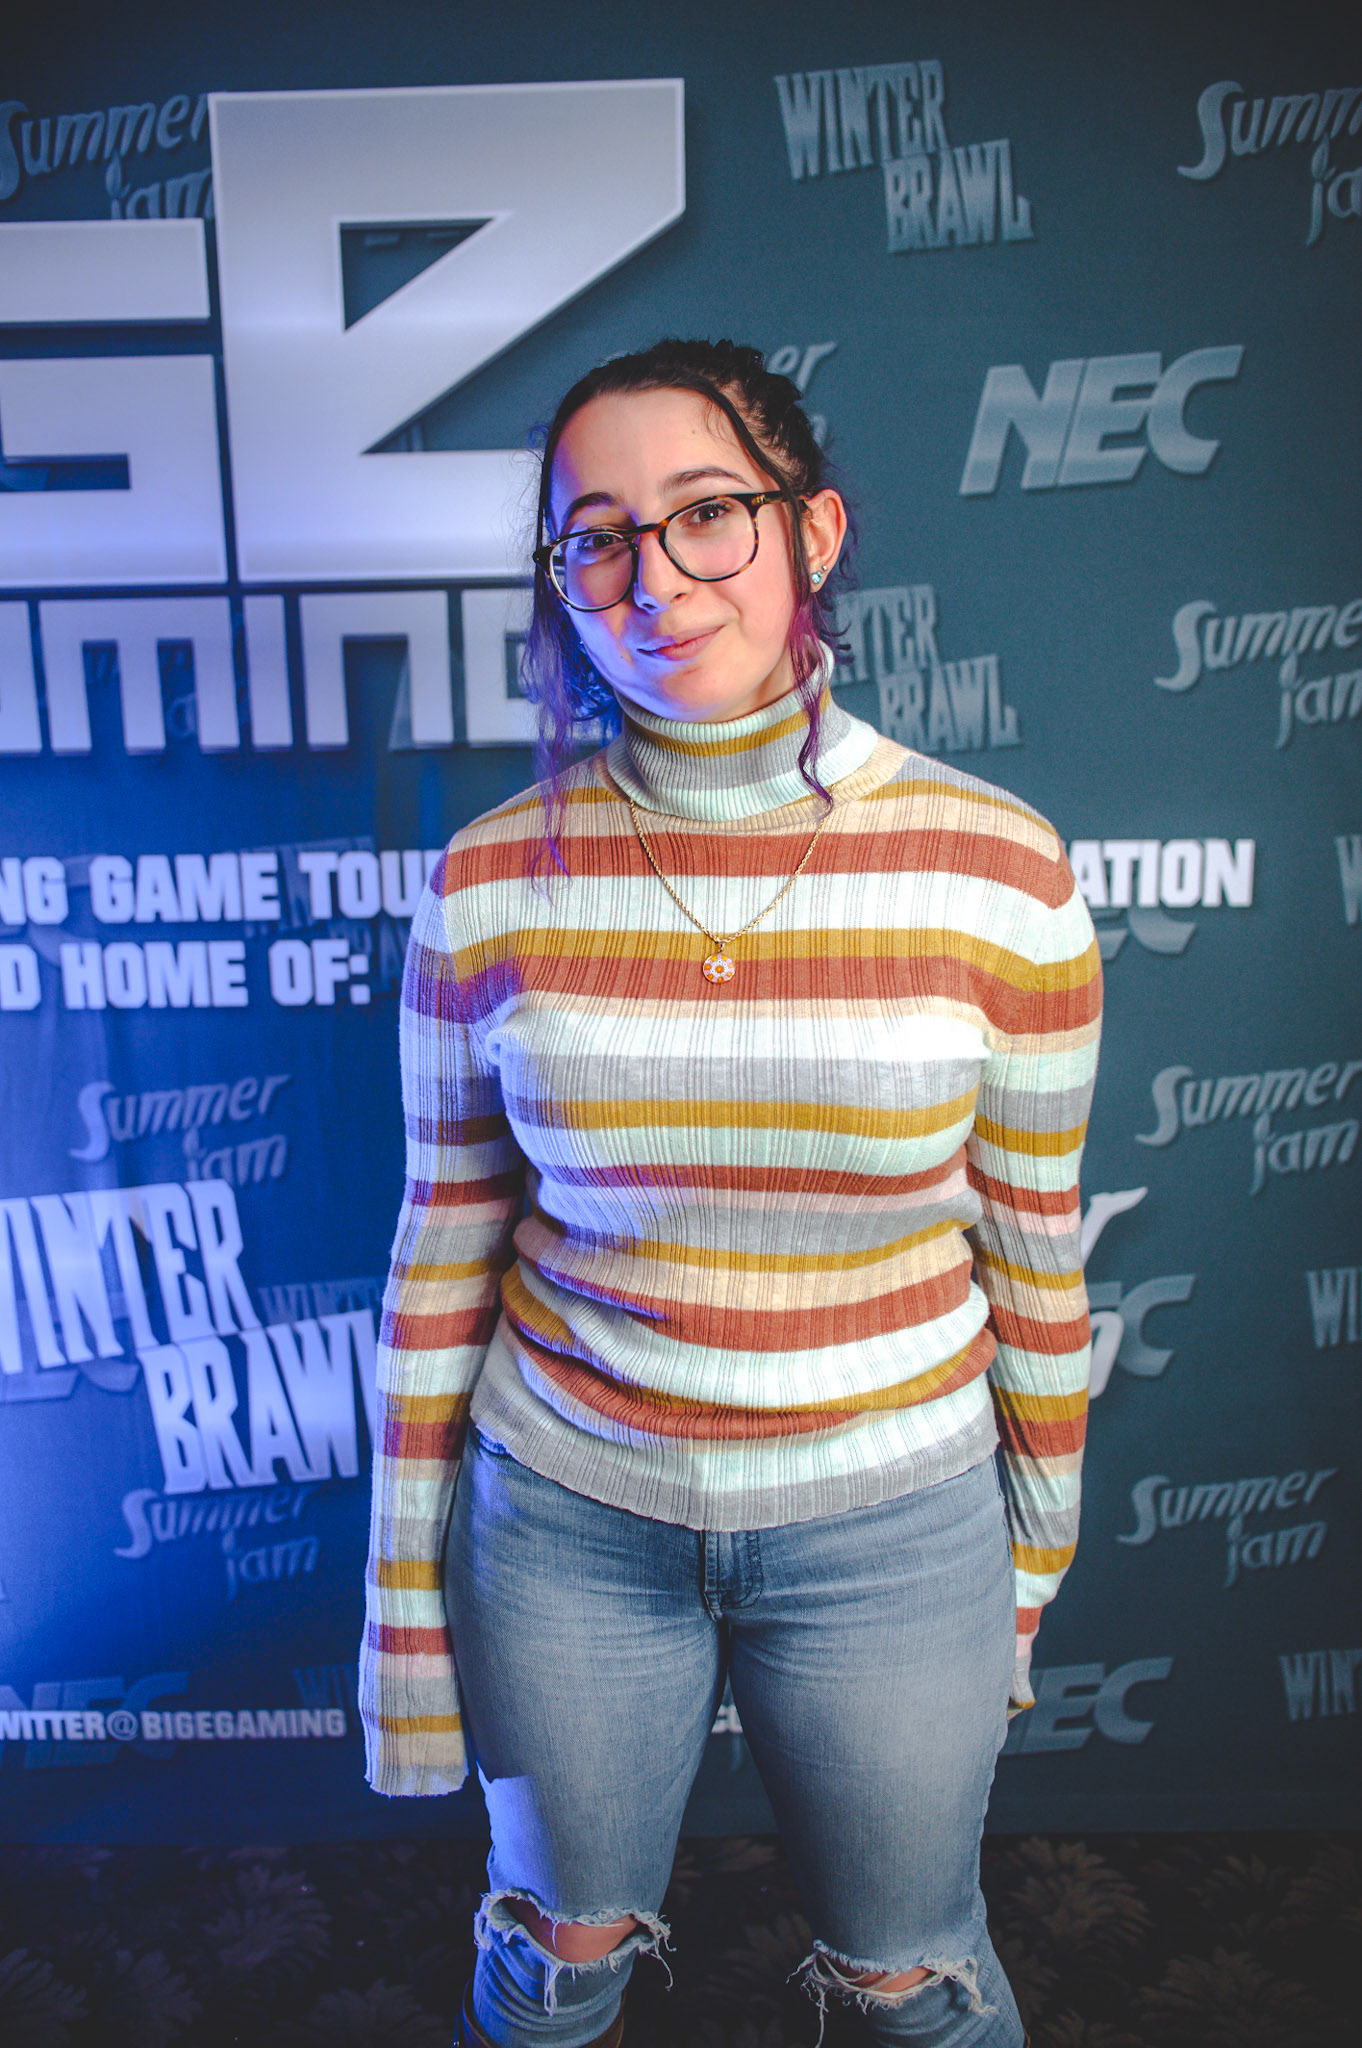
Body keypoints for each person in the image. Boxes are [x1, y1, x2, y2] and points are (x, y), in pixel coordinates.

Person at [360, 338, 1102, 2048]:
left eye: (706, 514)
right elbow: (439, 1257)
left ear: (810, 532)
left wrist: (1022, 1575)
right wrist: (402, 1619)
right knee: (555, 1962)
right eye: (597, 537)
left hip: (892, 1525)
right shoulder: (486, 882)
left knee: (911, 1977)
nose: (652, 580)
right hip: (566, 1521)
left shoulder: (998, 867)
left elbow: (1033, 1261)